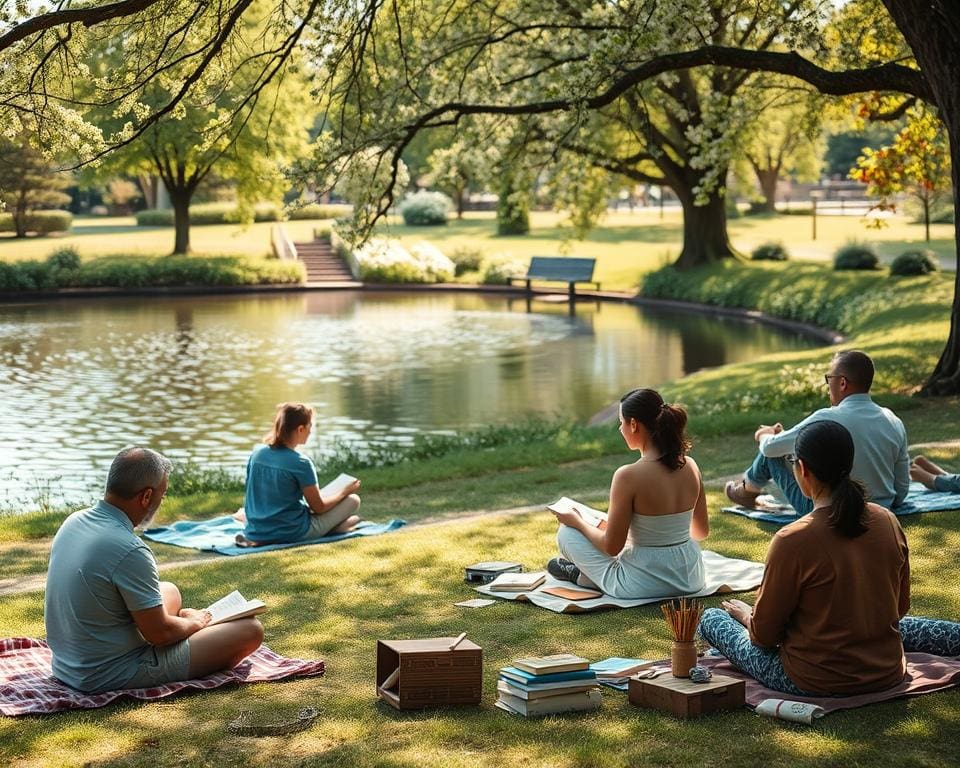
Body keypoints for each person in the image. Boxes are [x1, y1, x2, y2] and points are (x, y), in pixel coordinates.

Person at [701, 421, 960, 696]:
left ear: (802, 469)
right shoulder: (887, 520)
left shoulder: (791, 540)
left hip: (814, 678)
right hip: (886, 669)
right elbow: (899, 608)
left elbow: (764, 637)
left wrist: (747, 615)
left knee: (712, 618)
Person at [44, 447, 264, 694]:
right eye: (163, 494)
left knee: (169, 590)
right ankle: (185, 631)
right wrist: (195, 622)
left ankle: (179, 627)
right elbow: (160, 635)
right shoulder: (130, 549)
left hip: (68, 665)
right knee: (251, 630)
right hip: (107, 673)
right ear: (147, 496)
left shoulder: (74, 521)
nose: (162, 501)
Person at [546, 388, 709, 599]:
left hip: (640, 585)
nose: (620, 428)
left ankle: (585, 578)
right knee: (602, 519)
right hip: (691, 579)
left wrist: (576, 522)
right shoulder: (691, 466)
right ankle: (587, 574)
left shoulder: (627, 476)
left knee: (566, 533)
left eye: (621, 422)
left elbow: (611, 547)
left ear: (634, 424)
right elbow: (700, 532)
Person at [725, 349, 909, 515]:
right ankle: (747, 489)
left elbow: (770, 448)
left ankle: (746, 490)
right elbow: (901, 490)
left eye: (829, 379)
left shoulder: (827, 418)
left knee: (771, 455)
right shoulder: (893, 420)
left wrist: (765, 435)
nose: (827, 386)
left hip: (831, 510)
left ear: (842, 383)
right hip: (881, 509)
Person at [237, 402, 362, 547]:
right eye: (310, 427)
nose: (310, 432)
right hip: (292, 531)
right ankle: (334, 529)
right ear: (300, 429)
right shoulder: (301, 462)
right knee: (353, 500)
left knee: (335, 509)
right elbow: (318, 508)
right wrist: (345, 491)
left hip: (256, 529)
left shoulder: (257, 453)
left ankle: (263, 537)